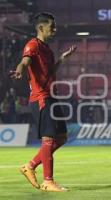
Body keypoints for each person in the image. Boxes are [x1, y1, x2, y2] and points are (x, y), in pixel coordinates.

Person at [10, 12, 76, 192]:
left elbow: (49, 72)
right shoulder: (33, 45)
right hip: (40, 98)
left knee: (61, 137)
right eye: (51, 26)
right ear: (41, 27)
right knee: (48, 140)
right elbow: (24, 62)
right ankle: (48, 181)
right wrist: (19, 71)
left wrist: (62, 58)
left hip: (51, 97)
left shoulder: (47, 49)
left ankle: (30, 166)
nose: (55, 29)